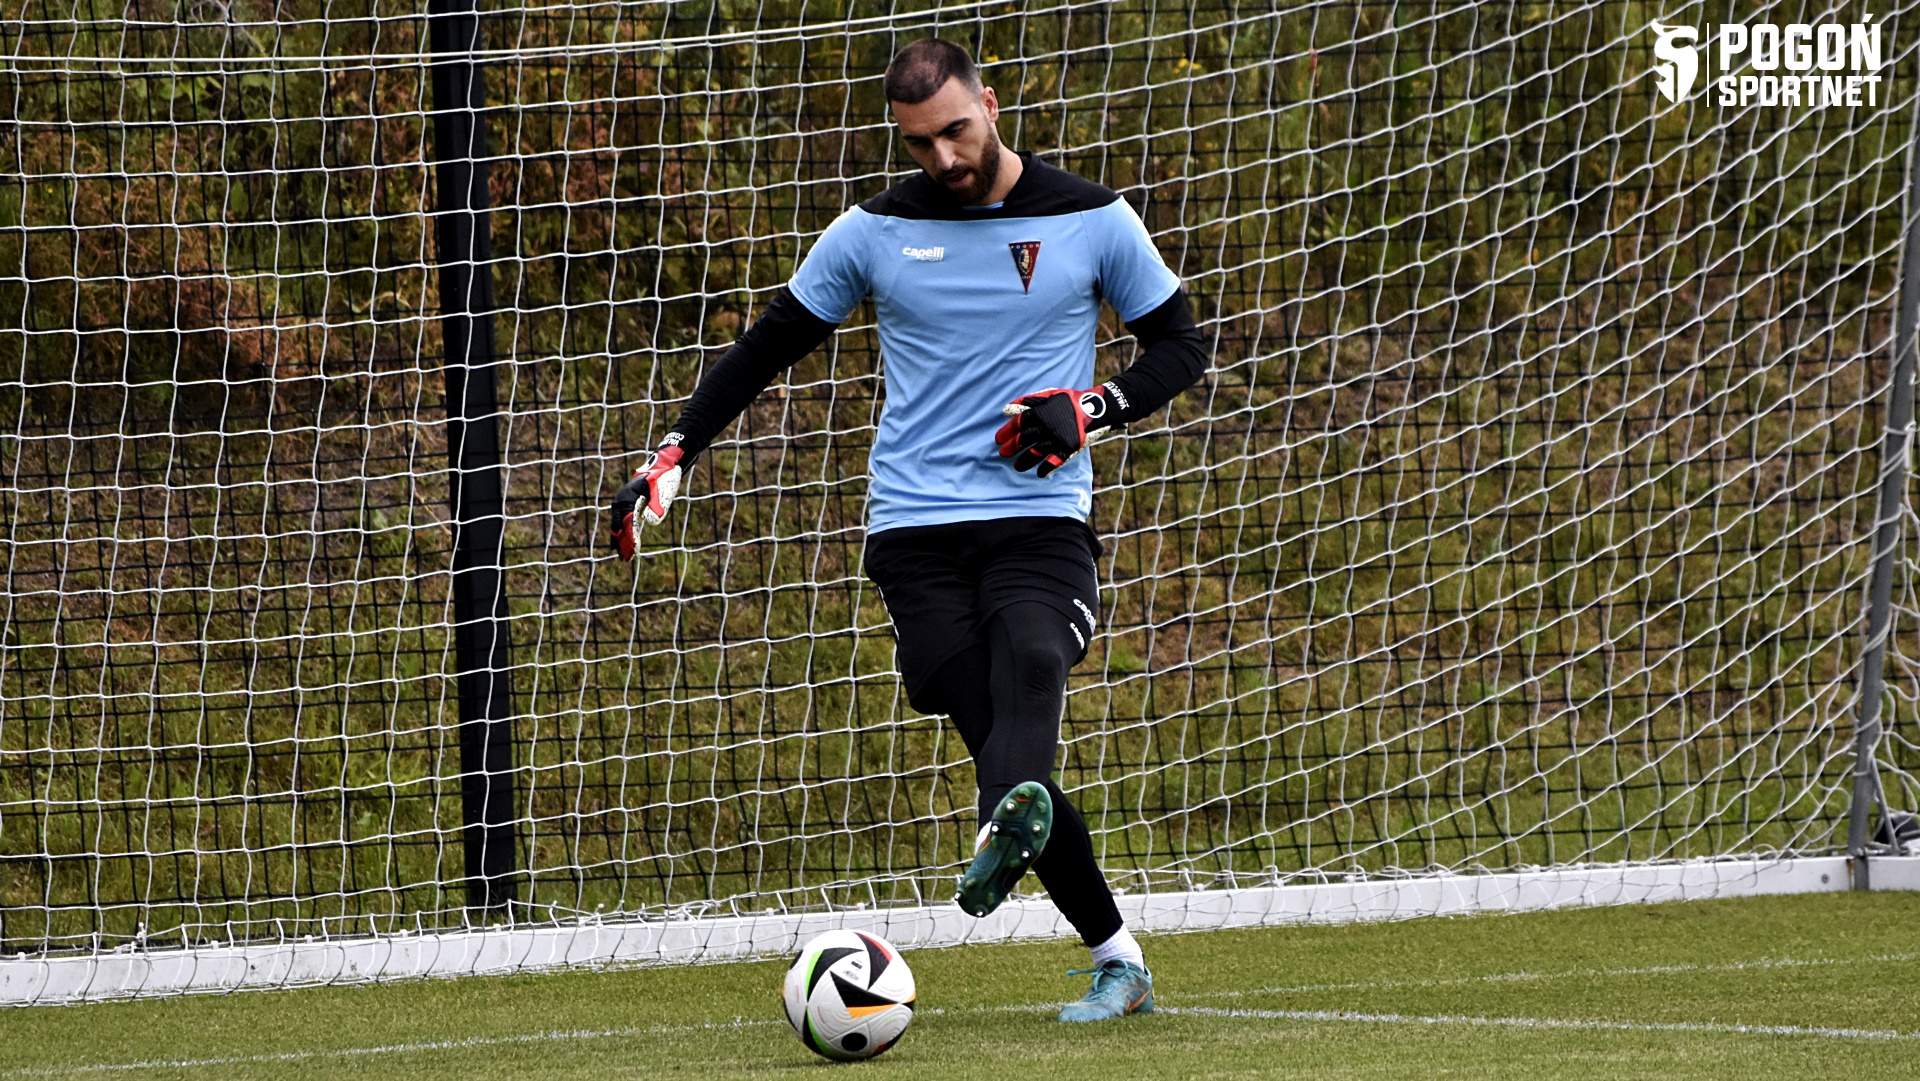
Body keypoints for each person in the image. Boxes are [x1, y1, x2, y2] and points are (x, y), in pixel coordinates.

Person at [608, 38, 1206, 1023]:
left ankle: (1028, 866)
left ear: (991, 104)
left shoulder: (1093, 217)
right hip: (915, 526)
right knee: (982, 717)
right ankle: (1115, 952)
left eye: (957, 132)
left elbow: (1181, 345)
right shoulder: (873, 231)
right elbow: (767, 347)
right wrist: (674, 450)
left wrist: (1091, 409)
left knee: (1033, 659)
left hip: (1037, 515)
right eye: (921, 143)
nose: (945, 158)